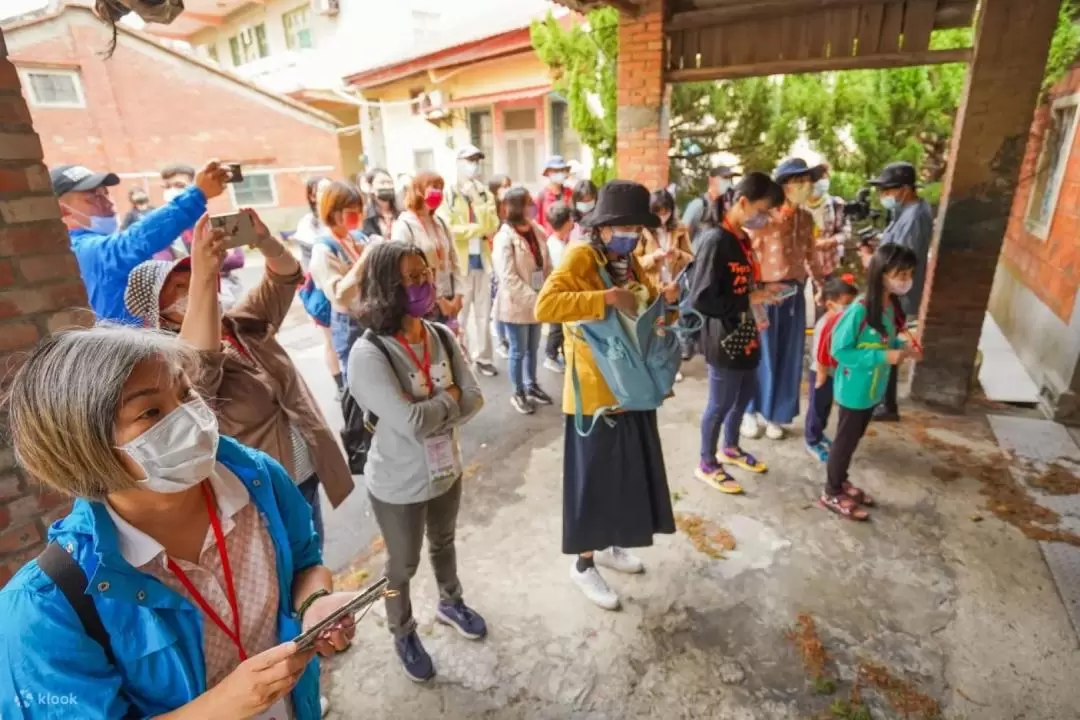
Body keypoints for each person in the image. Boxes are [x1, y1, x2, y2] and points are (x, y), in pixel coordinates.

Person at [0, 325, 359, 719]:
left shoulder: (257, 480)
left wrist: (314, 603)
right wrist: (220, 707)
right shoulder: (44, 610)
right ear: (83, 447)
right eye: (150, 411)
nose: (189, 417)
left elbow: (306, 562)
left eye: (186, 392)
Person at [125, 209, 355, 547]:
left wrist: (262, 240)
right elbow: (200, 360)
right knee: (287, 576)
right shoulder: (174, 368)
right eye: (178, 289)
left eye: (194, 280)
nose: (193, 290)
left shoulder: (241, 324)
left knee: (312, 557)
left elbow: (286, 275)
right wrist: (203, 273)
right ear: (158, 314)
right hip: (263, 493)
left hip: (308, 471)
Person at [535, 180, 681, 611]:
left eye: (638, 228)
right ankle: (583, 565)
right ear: (602, 227)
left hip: (630, 388)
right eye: (626, 227)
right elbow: (546, 306)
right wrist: (605, 298)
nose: (633, 235)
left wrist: (664, 301)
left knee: (624, 476)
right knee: (594, 482)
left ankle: (610, 543)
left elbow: (643, 303)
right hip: (595, 396)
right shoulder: (581, 255)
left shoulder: (629, 260)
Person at [348, 241, 486, 682]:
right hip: (397, 483)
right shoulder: (369, 353)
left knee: (444, 543)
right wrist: (449, 400)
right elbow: (408, 422)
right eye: (411, 278)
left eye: (426, 273)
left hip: (445, 469)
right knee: (400, 565)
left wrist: (429, 407)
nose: (424, 283)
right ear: (387, 286)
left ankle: (450, 601)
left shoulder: (440, 335)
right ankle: (401, 629)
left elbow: (476, 397)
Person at [690, 173, 784, 495]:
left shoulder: (742, 238)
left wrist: (763, 290)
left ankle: (729, 447)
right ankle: (706, 462)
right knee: (720, 403)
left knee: (744, 394)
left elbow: (738, 283)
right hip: (724, 334)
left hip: (748, 328)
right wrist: (749, 298)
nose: (767, 217)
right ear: (743, 203)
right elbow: (701, 298)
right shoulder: (715, 240)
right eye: (764, 209)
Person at [53, 161, 228, 324]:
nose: (107, 203)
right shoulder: (80, 249)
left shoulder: (90, 245)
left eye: (105, 193)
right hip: (124, 352)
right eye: (93, 197)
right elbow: (134, 242)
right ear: (61, 209)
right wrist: (196, 196)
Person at [823, 244, 921, 520]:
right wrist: (883, 355)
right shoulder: (860, 310)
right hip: (855, 387)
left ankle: (841, 482)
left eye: (909, 274)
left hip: (872, 388)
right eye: (899, 274)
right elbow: (839, 350)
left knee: (853, 439)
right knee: (844, 442)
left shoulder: (890, 305)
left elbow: (887, 337)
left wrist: (904, 346)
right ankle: (831, 491)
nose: (905, 280)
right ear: (881, 274)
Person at [741, 157, 826, 441]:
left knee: (789, 356)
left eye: (807, 180)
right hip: (765, 293)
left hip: (794, 294)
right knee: (760, 354)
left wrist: (821, 284)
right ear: (785, 186)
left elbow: (811, 254)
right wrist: (748, 291)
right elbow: (747, 253)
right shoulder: (764, 219)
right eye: (798, 181)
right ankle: (750, 411)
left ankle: (776, 414)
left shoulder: (806, 219)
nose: (805, 186)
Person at [869, 161, 933, 422]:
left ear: (905, 189)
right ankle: (885, 400)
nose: (884, 195)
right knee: (886, 341)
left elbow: (899, 262)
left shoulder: (915, 216)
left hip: (896, 292)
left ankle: (887, 404)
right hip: (894, 290)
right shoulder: (909, 211)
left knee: (887, 343)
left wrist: (872, 262)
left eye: (888, 190)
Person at [494, 187, 553, 414]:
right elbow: (508, 276)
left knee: (533, 347)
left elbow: (546, 264)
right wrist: (534, 299)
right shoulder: (504, 237)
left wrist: (548, 290)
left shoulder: (536, 230)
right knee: (518, 350)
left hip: (538, 299)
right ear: (517, 206)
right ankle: (518, 392)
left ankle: (532, 385)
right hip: (516, 304)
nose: (533, 205)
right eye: (528, 202)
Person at [444, 145, 500, 377]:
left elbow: (493, 225)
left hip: (483, 261)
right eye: (469, 160)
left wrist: (477, 200)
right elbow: (449, 227)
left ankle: (484, 358)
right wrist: (477, 229)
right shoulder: (449, 193)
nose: (473, 164)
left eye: (476, 160)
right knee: (461, 315)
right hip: (461, 264)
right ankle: (459, 358)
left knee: (483, 314)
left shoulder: (484, 193)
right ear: (458, 162)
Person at [159, 163, 246, 307]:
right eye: (167, 187)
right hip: (189, 299)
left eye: (179, 185)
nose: (171, 191)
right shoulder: (162, 228)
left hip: (225, 292)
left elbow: (237, 259)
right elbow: (165, 267)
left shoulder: (214, 220)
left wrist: (198, 262)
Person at [310, 181, 369, 386]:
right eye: (350, 211)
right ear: (333, 211)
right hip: (349, 322)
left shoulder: (357, 238)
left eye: (359, 210)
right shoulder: (324, 249)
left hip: (368, 313)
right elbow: (339, 294)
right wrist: (365, 259)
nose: (357, 215)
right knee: (356, 380)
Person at [391, 172, 464, 334]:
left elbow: (454, 259)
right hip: (425, 300)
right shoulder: (404, 225)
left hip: (450, 296)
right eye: (433, 188)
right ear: (418, 190)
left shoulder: (440, 222)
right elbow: (405, 270)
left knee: (451, 346)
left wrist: (458, 295)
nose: (438, 193)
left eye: (440, 188)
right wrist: (439, 300)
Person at [804, 275, 859, 463]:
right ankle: (812, 440)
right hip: (821, 373)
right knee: (816, 409)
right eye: (846, 303)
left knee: (825, 408)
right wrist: (821, 376)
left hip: (834, 373)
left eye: (852, 304)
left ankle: (819, 435)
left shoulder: (843, 323)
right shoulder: (825, 324)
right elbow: (820, 354)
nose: (850, 308)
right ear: (830, 303)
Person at [804, 163, 851, 308]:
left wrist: (831, 241)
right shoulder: (798, 206)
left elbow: (846, 232)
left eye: (826, 178)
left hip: (830, 263)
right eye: (820, 179)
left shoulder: (836, 204)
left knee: (831, 304)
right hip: (804, 265)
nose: (824, 182)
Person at [543, 201, 575, 373]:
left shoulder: (558, 243)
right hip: (558, 293)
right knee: (556, 328)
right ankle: (550, 356)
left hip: (562, 292)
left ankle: (558, 355)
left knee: (560, 328)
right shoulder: (556, 247)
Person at [683, 166, 739, 250]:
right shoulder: (699, 204)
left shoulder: (727, 207)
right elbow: (682, 233)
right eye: (725, 178)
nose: (728, 182)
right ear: (711, 180)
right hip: (697, 258)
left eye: (730, 179)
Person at [294, 175, 330, 271]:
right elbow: (308, 259)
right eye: (324, 190)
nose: (330, 194)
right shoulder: (306, 224)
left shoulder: (344, 218)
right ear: (312, 197)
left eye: (332, 189)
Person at [536, 156, 573, 234]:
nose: (559, 173)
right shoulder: (541, 196)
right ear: (548, 173)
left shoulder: (570, 193)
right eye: (556, 171)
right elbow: (536, 223)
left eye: (562, 170)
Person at [362, 168, 399, 240]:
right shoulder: (366, 215)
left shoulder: (401, 213)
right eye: (382, 183)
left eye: (390, 182)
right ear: (371, 187)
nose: (387, 186)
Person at [570, 179, 598, 244]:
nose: (585, 205)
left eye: (589, 201)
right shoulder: (571, 220)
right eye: (582, 202)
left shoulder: (599, 217)